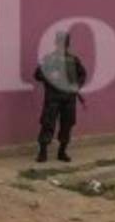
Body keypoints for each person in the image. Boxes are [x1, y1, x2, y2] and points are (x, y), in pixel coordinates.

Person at [33, 31, 87, 163]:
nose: (62, 45)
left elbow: (82, 74)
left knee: (67, 124)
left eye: (65, 42)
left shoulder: (73, 60)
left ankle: (62, 151)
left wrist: (76, 86)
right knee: (48, 123)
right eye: (60, 42)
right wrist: (50, 77)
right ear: (56, 43)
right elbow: (37, 74)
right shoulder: (49, 59)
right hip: (53, 97)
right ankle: (43, 151)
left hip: (69, 98)